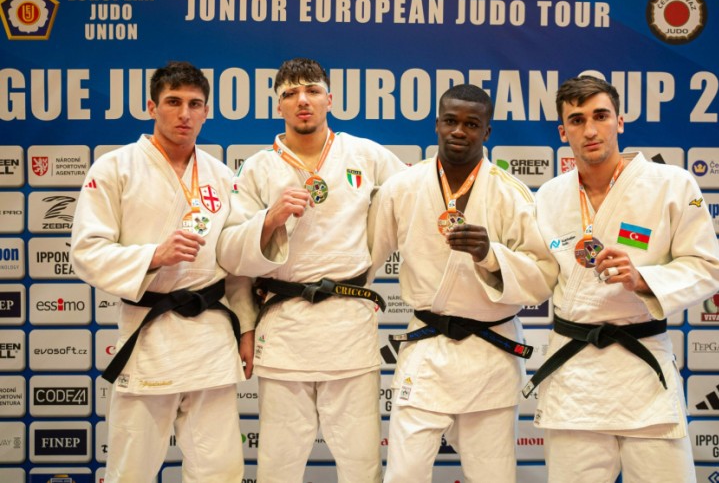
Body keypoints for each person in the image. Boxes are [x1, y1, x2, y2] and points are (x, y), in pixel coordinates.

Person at [527, 75, 719, 482]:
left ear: (620, 121)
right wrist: (491, 259)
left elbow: (707, 267)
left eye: (601, 116)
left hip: (642, 369)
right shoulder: (549, 196)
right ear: (563, 132)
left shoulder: (672, 185)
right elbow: (536, 275)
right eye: (577, 120)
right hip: (576, 375)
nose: (591, 130)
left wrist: (643, 279)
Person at [217, 57, 407, 483]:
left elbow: (415, 200)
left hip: (349, 325)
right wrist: (269, 220)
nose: (302, 100)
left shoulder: (365, 155)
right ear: (278, 106)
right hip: (285, 328)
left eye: (312, 91)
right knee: (278, 466)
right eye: (290, 94)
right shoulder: (258, 168)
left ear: (329, 99)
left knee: (362, 464)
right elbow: (229, 255)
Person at [368, 84, 558, 483]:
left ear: (486, 132)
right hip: (426, 348)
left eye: (472, 124)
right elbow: (366, 256)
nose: (459, 131)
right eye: (451, 121)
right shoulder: (401, 188)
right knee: (404, 474)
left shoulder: (511, 194)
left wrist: (491, 255)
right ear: (436, 124)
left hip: (490, 354)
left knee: (492, 476)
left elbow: (542, 275)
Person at [70, 61, 245, 482]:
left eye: (195, 104)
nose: (184, 114)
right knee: (131, 470)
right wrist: (153, 255)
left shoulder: (222, 175)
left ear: (207, 112)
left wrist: (248, 328)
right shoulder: (114, 168)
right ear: (152, 106)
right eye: (173, 102)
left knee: (220, 470)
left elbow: (237, 264)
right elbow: (86, 251)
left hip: (210, 337)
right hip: (149, 334)